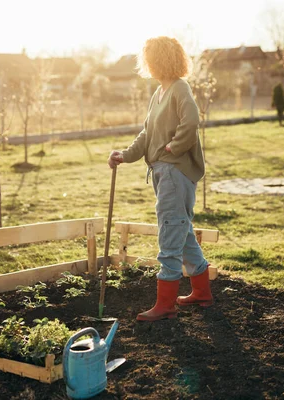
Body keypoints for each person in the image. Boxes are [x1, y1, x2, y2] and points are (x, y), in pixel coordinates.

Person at [107, 36, 213, 322]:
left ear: (162, 60)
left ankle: (165, 304)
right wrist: (125, 155)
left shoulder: (180, 88)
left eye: (151, 59)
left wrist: (174, 147)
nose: (148, 64)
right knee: (182, 229)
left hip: (174, 171)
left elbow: (191, 122)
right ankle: (202, 292)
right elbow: (147, 134)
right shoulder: (159, 93)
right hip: (162, 171)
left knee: (170, 229)